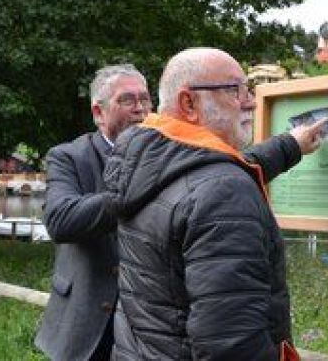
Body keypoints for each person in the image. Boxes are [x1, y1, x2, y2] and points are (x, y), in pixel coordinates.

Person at [35, 63, 326, 361]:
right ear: (99, 113)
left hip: (152, 325)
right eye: (127, 100)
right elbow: (61, 220)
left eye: (145, 98)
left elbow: (215, 169)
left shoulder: (171, 162)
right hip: (87, 327)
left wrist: (289, 146)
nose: (140, 108)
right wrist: (139, 191)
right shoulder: (68, 156)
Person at [104, 48, 310, 360]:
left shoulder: (147, 168)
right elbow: (232, 344)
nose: (251, 101)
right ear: (189, 103)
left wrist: (290, 145)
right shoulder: (223, 190)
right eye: (235, 90)